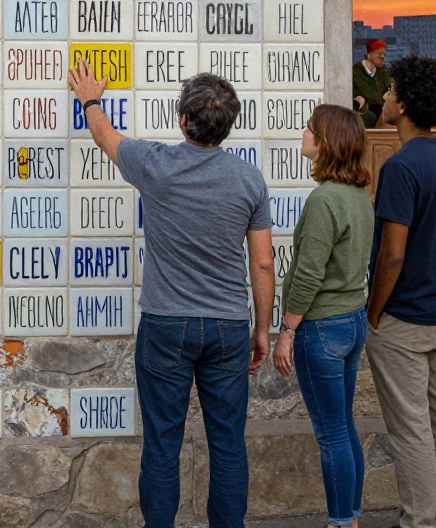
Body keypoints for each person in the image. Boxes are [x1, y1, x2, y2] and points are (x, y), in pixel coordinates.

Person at [67, 58, 275, 528]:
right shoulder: (248, 179)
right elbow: (262, 262)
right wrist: (262, 330)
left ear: (183, 120)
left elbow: (105, 136)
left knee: (162, 443)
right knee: (228, 442)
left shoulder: (156, 164)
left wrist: (91, 100)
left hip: (165, 324)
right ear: (227, 127)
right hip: (227, 326)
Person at [366, 55, 436, 528]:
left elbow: (392, 254)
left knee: (410, 429)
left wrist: (373, 311)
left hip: (404, 315)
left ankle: (419, 521)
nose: (383, 98)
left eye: (388, 92)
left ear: (403, 103)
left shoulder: (401, 167)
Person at [273, 104, 375, 528]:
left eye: (310, 129)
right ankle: (349, 518)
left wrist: (286, 331)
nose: (303, 133)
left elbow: (309, 273)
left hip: (323, 325)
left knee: (331, 433)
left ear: (325, 142)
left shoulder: (324, 200)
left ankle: (340, 523)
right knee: (344, 427)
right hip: (351, 321)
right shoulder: (358, 195)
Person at [353, 39, 392, 128]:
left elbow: (389, 86)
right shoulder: (355, 71)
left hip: (382, 110)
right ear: (369, 55)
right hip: (364, 111)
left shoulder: (384, 71)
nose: (383, 57)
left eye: (384, 54)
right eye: (379, 54)